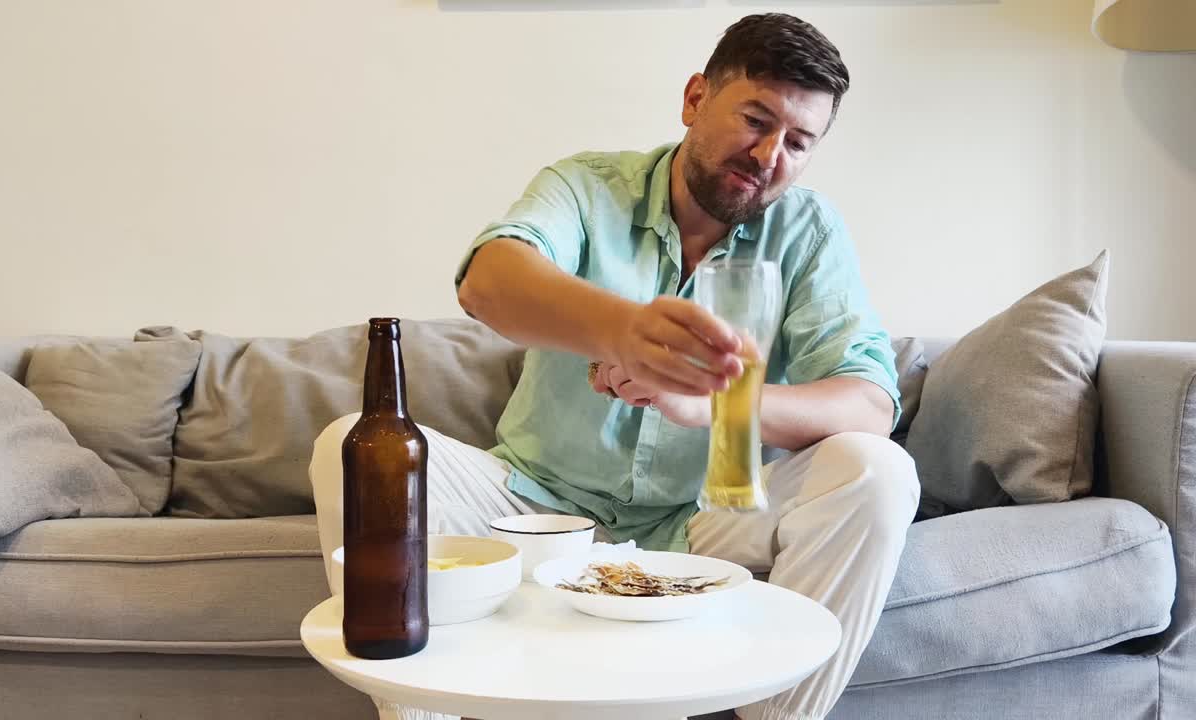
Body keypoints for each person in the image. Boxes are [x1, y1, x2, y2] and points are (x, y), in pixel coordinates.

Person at [311, 12, 919, 720]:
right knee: (347, 445)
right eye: (756, 119)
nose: (769, 154)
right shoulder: (586, 186)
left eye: (800, 142)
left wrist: (715, 402)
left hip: (706, 519)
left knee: (876, 470)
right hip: (531, 506)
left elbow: (870, 404)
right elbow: (487, 281)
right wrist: (626, 332)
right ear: (695, 99)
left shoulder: (808, 232)